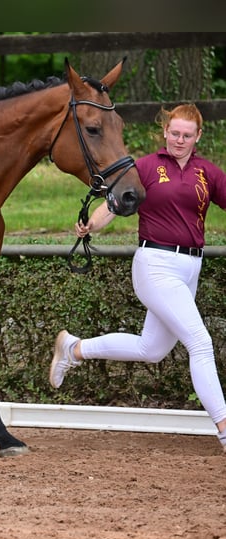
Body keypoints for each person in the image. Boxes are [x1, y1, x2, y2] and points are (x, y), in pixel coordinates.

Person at [49, 103, 226, 454]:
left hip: (190, 267)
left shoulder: (207, 172)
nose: (179, 139)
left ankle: (74, 348)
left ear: (198, 137)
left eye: (186, 135)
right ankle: (224, 429)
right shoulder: (145, 166)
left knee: (152, 349)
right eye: (174, 133)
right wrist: (91, 226)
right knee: (201, 344)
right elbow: (113, 205)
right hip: (155, 264)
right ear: (165, 132)